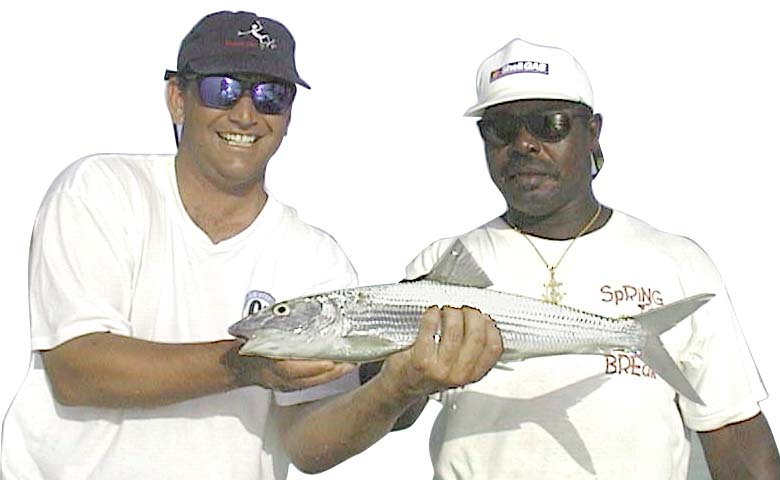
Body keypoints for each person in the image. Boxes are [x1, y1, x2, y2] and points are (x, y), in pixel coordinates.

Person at [275, 39, 780, 478]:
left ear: (592, 132)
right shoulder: (443, 262)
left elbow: (738, 439)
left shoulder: (678, 263)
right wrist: (402, 381)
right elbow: (392, 415)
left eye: (549, 124)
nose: (524, 144)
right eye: (500, 128)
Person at [0, 11, 362, 479]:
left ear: (289, 116)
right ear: (177, 99)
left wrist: (403, 385)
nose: (245, 114)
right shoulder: (100, 191)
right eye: (222, 89)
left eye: (271, 95)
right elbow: (76, 370)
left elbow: (309, 447)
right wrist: (247, 365)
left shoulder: (317, 259)